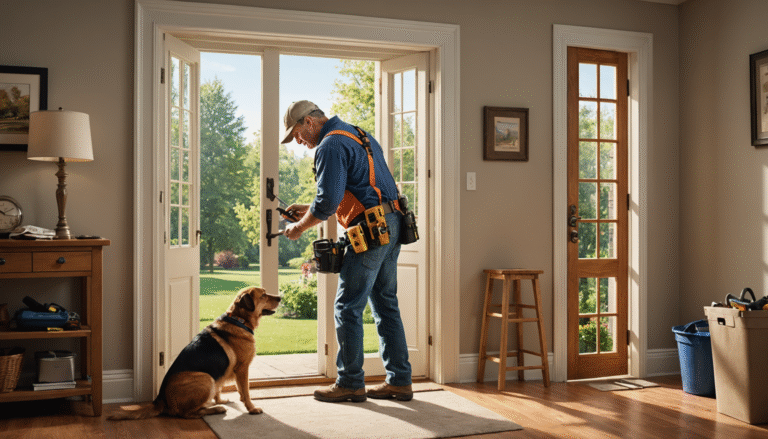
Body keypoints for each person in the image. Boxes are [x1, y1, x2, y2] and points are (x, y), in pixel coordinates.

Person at [280, 100, 413, 403]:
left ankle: (350, 382)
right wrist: (308, 208)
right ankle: (399, 381)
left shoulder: (329, 144)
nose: (299, 142)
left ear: (309, 122)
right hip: (392, 222)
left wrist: (299, 227)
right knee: (385, 304)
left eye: (297, 134)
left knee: (347, 307)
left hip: (371, 229)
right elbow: (361, 189)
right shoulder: (357, 134)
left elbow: (327, 203)